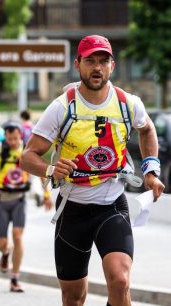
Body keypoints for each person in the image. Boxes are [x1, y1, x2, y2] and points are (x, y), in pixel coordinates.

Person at [20, 35, 165, 306]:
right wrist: (51, 168)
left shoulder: (127, 103)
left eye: (103, 61)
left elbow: (147, 129)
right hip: (72, 209)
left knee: (120, 280)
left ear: (113, 66)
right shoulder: (62, 107)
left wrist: (151, 170)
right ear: (78, 64)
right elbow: (27, 157)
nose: (97, 67)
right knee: (74, 297)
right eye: (90, 61)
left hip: (111, 205)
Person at [0, 121, 52, 293]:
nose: (14, 142)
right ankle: (5, 253)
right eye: (10, 139)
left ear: (20, 136)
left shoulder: (27, 151)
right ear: (5, 137)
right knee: (2, 243)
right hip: (1, 201)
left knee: (17, 236)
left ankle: (15, 278)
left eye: (16, 138)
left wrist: (47, 195)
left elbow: (42, 172)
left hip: (19, 200)